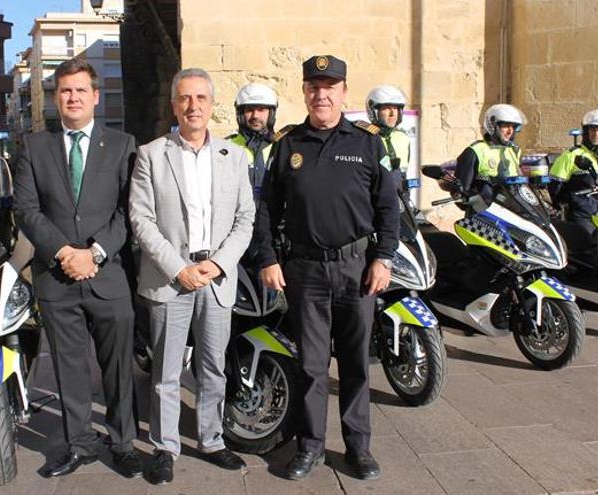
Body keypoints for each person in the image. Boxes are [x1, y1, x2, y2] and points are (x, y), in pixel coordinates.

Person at [254, 55, 400, 481]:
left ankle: (358, 448)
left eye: (330, 86)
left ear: (343, 92)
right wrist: (267, 258)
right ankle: (310, 446)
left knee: (355, 364)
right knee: (311, 367)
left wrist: (384, 257)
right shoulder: (287, 144)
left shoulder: (368, 143)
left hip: (358, 270)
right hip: (305, 272)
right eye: (314, 87)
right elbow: (266, 210)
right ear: (304, 92)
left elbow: (388, 207)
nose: (321, 94)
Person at [12, 57, 141, 479]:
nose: (72, 97)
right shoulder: (35, 147)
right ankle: (79, 443)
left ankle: (123, 443)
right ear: (56, 98)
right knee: (69, 368)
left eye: (80, 90)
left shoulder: (122, 145)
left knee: (119, 368)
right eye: (65, 90)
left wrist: (96, 252)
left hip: (108, 277)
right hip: (57, 277)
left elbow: (130, 211)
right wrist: (64, 252)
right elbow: (27, 210)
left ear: (95, 97)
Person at [129, 68, 255, 485]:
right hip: (171, 278)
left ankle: (212, 439)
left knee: (213, 366)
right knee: (165, 369)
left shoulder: (234, 157)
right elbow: (141, 218)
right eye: (185, 98)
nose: (193, 106)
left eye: (201, 98)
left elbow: (245, 218)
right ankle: (165, 447)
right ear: (173, 105)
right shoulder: (151, 154)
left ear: (211, 104)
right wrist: (178, 268)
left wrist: (218, 264)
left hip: (216, 277)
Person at [549, 109, 598, 256]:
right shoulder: (571, 156)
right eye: (592, 129)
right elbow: (554, 187)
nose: (596, 134)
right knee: (585, 253)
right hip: (582, 214)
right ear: (585, 131)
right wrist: (565, 205)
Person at [454, 103, 526, 203]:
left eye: (513, 127)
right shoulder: (476, 151)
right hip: (485, 213)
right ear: (493, 125)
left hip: (512, 210)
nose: (510, 131)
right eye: (505, 125)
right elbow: (462, 190)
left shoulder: (514, 151)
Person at [226, 82, 278, 201]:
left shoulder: (281, 146)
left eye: (261, 109)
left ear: (271, 113)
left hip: (272, 217)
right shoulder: (228, 147)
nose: (255, 115)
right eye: (249, 110)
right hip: (239, 217)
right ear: (240, 114)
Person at [365, 85, 410, 173]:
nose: (393, 113)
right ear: (374, 111)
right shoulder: (365, 138)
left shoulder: (403, 138)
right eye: (387, 109)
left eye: (395, 108)